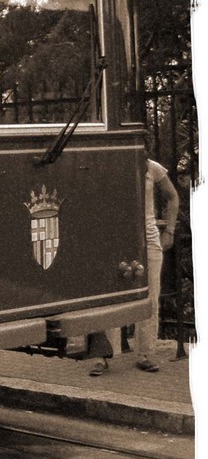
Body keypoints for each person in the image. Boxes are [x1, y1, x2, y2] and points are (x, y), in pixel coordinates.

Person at [90, 156, 179, 376]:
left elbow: (173, 196)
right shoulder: (109, 165)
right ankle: (104, 355)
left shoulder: (152, 168)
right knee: (109, 297)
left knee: (150, 295)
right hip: (115, 239)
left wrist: (169, 231)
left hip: (147, 239)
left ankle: (145, 354)